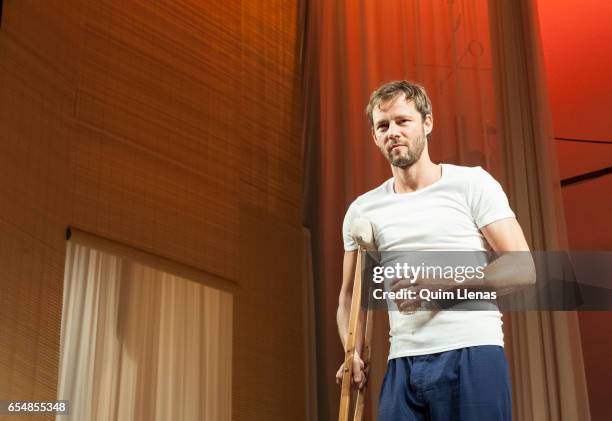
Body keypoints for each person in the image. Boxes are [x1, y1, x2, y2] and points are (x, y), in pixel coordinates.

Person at [335, 80, 534, 420]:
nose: (392, 132)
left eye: (402, 121)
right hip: (404, 363)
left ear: (427, 123)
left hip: (471, 351)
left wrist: (440, 287)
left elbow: (522, 269)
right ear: (374, 137)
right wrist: (351, 352)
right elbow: (349, 298)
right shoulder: (362, 210)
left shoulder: (472, 184)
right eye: (382, 126)